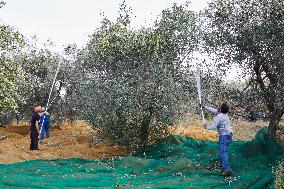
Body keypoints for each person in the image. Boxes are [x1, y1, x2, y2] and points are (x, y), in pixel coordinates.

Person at [202, 102, 234, 176]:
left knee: (223, 152)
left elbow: (213, 127)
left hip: (224, 136)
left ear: (220, 109)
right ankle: (224, 166)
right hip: (229, 135)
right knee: (223, 151)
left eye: (219, 107)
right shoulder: (224, 114)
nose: (218, 107)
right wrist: (204, 106)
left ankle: (226, 169)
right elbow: (213, 110)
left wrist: (206, 126)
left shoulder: (219, 117)